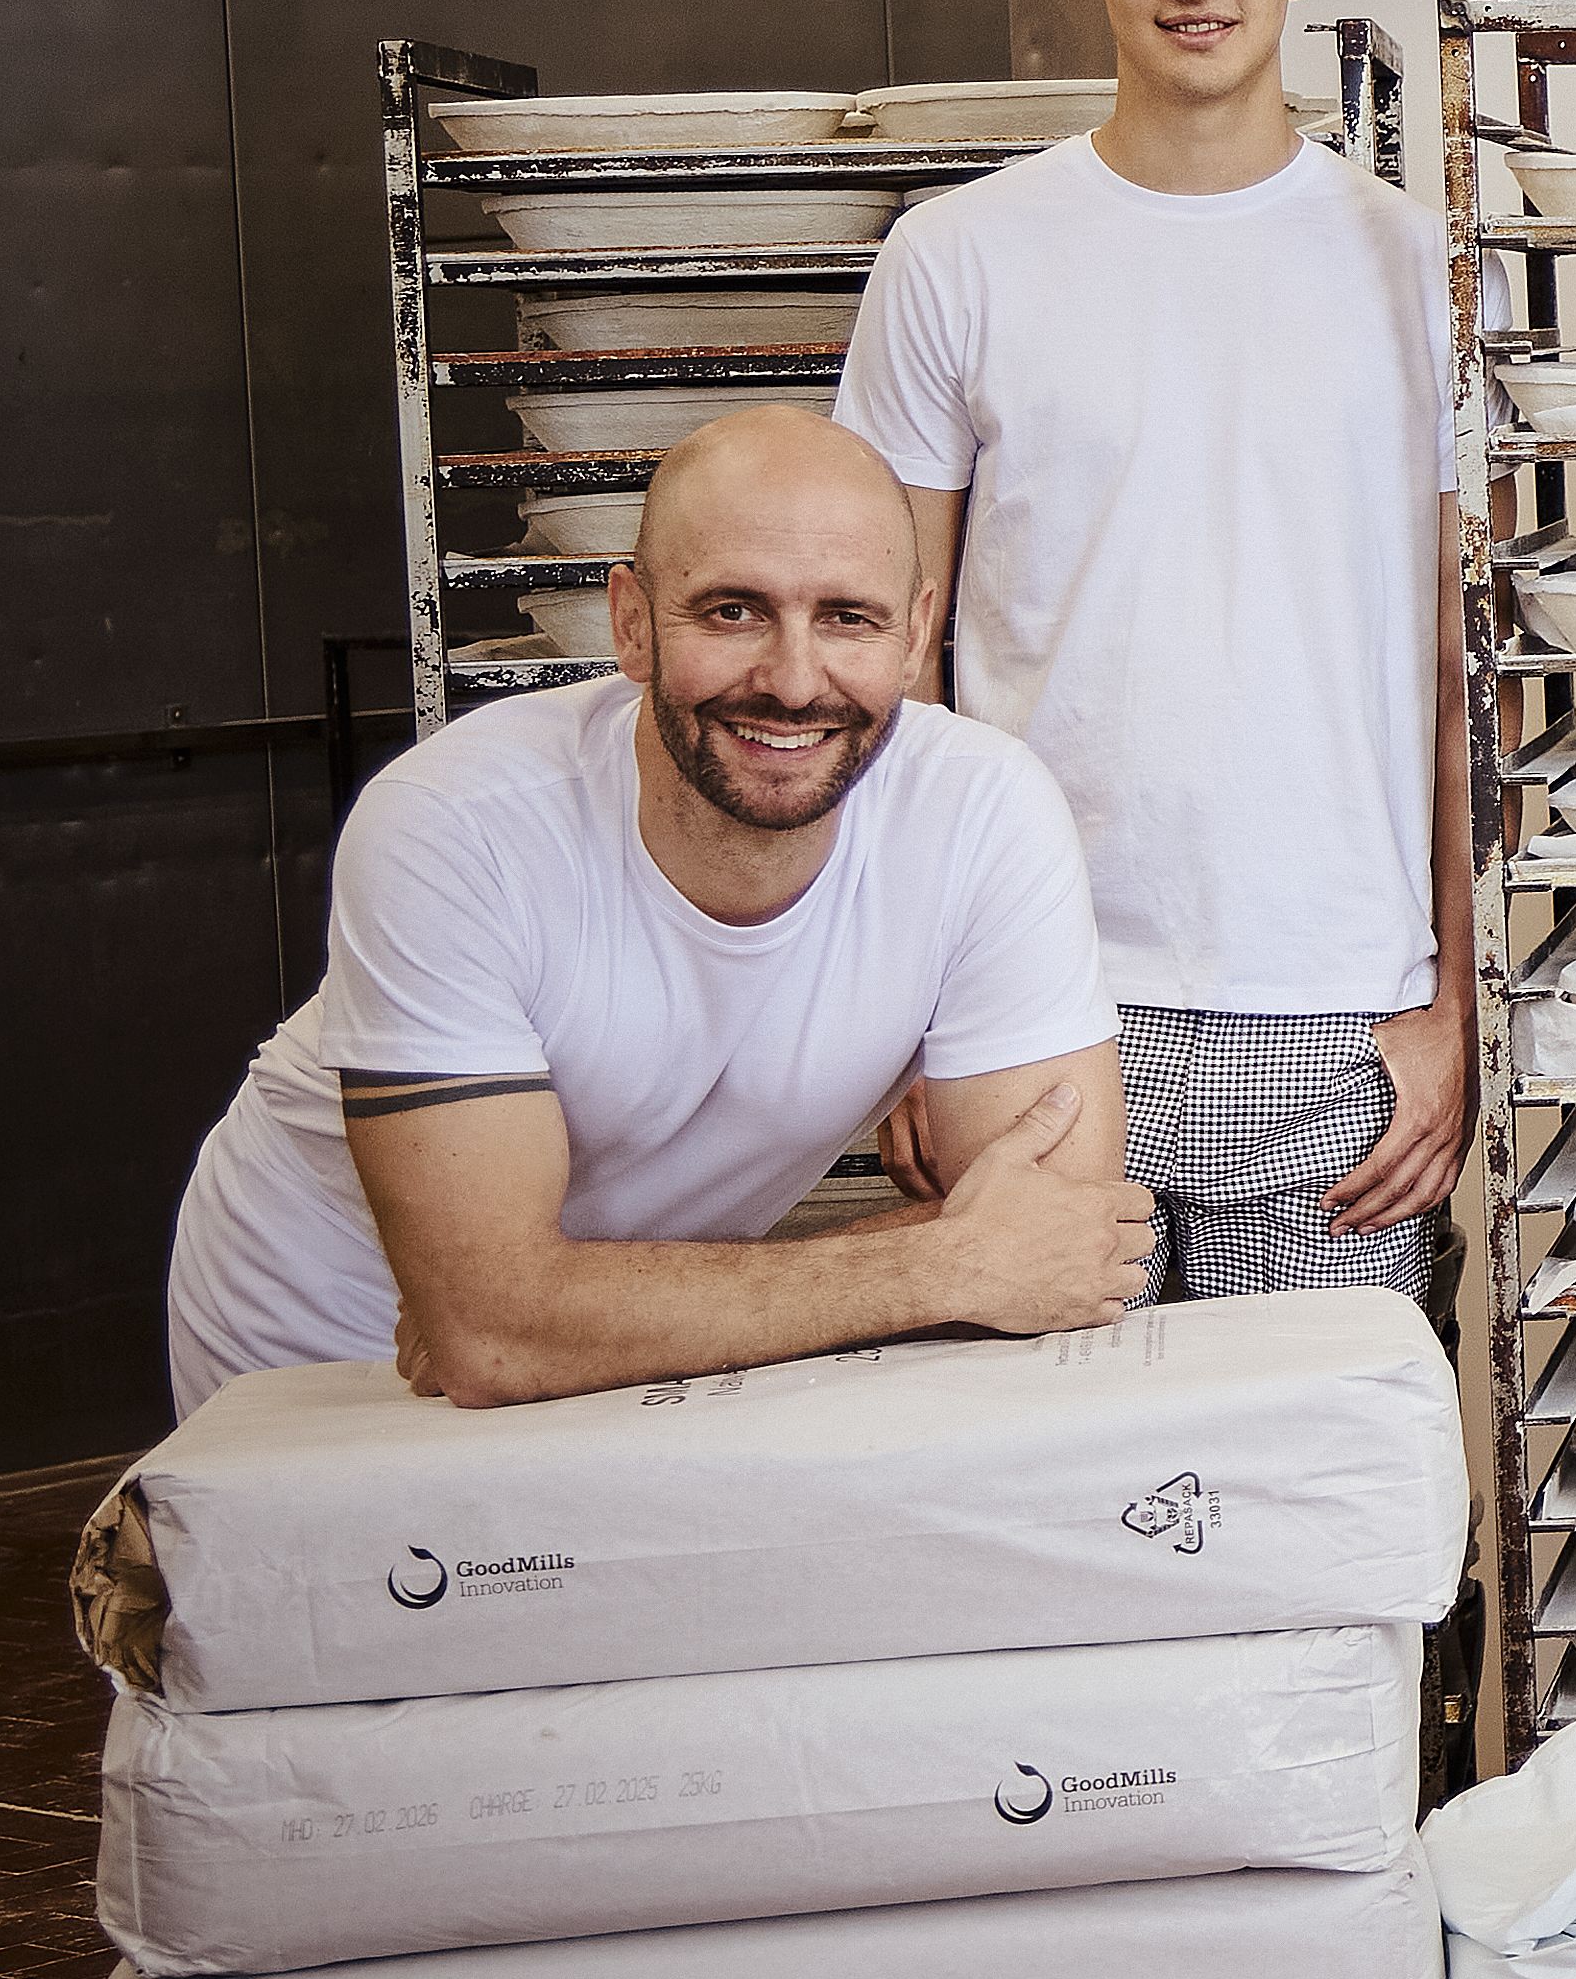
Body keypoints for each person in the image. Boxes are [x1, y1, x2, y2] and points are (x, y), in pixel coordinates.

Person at [162, 411, 1149, 1415]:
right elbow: (487, 1337)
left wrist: (558, 1313)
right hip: (328, 1339)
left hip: (660, 1344)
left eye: (847, 617)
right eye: (732, 612)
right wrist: (938, 1263)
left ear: (914, 631)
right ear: (630, 624)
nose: (794, 680)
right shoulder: (452, 824)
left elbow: (1054, 1238)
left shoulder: (985, 812)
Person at [834, 0, 1471, 1306]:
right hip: (1035, 989)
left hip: (1334, 1004)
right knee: (1062, 1516)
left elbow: (1458, 660)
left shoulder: (1423, 272)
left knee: (1309, 1522)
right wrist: (902, 1008)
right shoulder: (957, 259)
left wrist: (1459, 998)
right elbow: (884, 656)